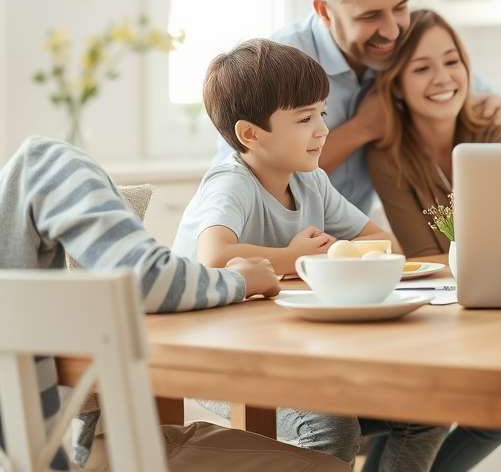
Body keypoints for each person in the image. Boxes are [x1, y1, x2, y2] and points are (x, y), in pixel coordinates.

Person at [174, 38, 449, 471]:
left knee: (426, 410)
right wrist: (294, 256)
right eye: (305, 118)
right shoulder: (231, 183)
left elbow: (382, 240)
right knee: (331, 428)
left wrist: (338, 253)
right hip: (214, 354)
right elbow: (215, 256)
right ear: (251, 134)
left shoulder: (311, 180)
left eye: (321, 112)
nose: (322, 129)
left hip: (281, 346)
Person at [0, 135, 341, 468]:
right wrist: (240, 280)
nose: (321, 129)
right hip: (72, 458)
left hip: (33, 457)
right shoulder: (43, 162)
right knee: (328, 451)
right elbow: (149, 280)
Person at [212, 0, 501, 216]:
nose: (391, 30)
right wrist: (362, 128)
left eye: (400, 8)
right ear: (325, 13)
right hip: (262, 244)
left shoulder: (401, 46)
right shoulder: (278, 65)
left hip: (348, 241)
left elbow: (487, 105)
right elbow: (251, 179)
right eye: (370, 15)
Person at [362, 10, 501, 471]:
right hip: (440, 312)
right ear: (397, 86)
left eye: (452, 62)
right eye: (422, 68)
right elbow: (422, 254)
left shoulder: (497, 133)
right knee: (434, 410)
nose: (443, 78)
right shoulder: (388, 156)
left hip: (498, 307)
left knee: (499, 413)